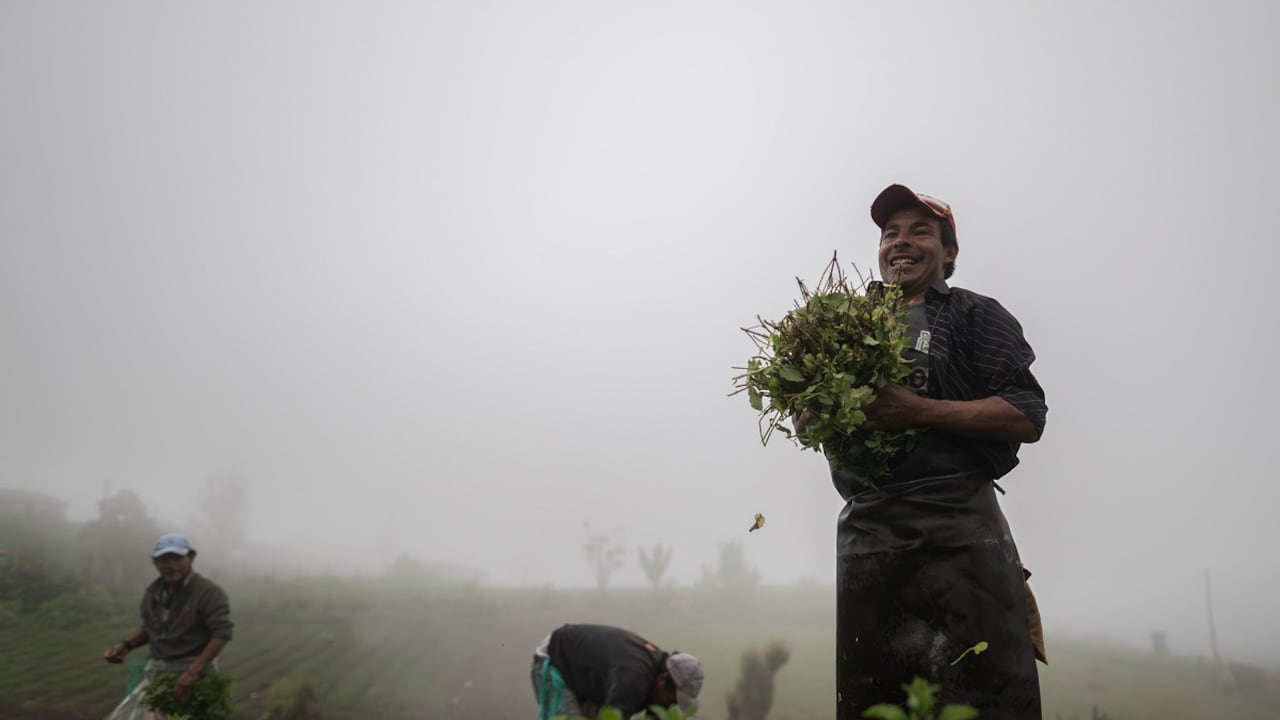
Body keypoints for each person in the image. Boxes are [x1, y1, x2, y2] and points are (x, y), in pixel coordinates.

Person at [826, 184, 1048, 719]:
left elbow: (1026, 414)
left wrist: (918, 411)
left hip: (960, 538)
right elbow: (819, 414)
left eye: (919, 231)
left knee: (982, 697)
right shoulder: (846, 327)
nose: (900, 243)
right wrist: (814, 413)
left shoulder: (975, 315)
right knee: (874, 701)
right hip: (868, 544)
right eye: (889, 233)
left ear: (948, 253)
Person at [102, 533, 234, 717]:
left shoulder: (208, 592)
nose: (171, 565)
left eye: (177, 558)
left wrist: (191, 674)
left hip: (195, 674)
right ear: (155, 563)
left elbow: (221, 634)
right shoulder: (153, 592)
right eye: (164, 560)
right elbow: (151, 628)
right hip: (159, 672)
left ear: (191, 558)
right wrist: (126, 646)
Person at [530, 623, 704, 719]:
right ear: (662, 679)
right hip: (557, 659)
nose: (672, 706)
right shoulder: (634, 680)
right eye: (672, 700)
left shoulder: (660, 680)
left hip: (589, 678)